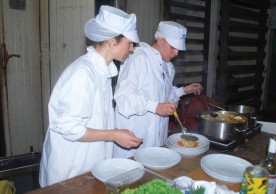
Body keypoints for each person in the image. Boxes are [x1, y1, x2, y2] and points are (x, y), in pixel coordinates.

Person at [39, 5, 143, 187]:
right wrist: (114, 135)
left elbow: (97, 119)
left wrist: (118, 133)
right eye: (129, 43)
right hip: (69, 171)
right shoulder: (83, 73)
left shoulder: (103, 71)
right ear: (112, 41)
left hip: (88, 166)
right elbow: (69, 126)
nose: (132, 49)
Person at [113, 21, 203, 158]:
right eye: (173, 47)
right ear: (160, 40)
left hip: (156, 140)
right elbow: (123, 97)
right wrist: (155, 107)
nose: (176, 53)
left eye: (179, 49)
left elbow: (163, 97)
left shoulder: (168, 67)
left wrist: (183, 91)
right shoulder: (139, 59)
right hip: (134, 142)